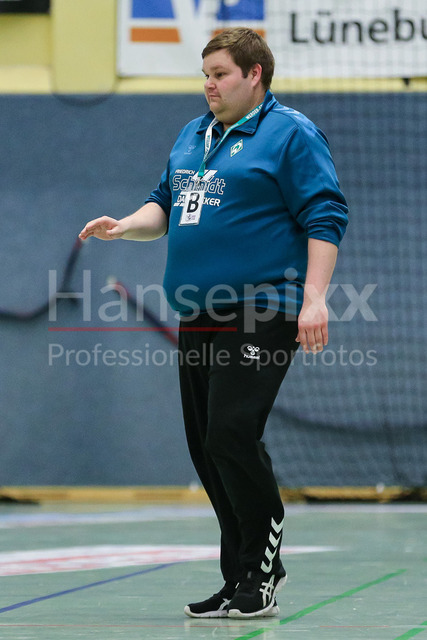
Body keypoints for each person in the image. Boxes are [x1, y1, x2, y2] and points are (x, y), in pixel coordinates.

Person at [79, 27, 348, 619]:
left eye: (221, 74)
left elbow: (326, 214)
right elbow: (165, 205)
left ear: (255, 75)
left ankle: (264, 562)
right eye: (205, 74)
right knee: (207, 447)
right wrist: (125, 225)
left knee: (231, 431)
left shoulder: (290, 133)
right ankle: (239, 576)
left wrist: (315, 298)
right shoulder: (192, 135)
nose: (209, 85)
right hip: (197, 311)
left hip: (264, 306)